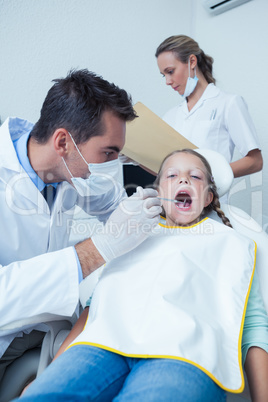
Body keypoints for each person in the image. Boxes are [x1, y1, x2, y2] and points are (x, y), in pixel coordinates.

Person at [18, 150, 268, 401]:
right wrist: (47, 377)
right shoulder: (132, 234)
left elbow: (253, 328)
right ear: (159, 193)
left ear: (208, 197)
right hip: (102, 345)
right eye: (172, 175)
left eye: (195, 176)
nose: (183, 180)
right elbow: (96, 308)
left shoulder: (233, 245)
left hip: (182, 353)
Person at [0, 69, 162, 383]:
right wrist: (97, 249)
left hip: (47, 327)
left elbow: (112, 202)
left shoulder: (67, 167)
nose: (115, 163)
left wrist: (150, 202)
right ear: (63, 141)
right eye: (109, 152)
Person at [155, 35, 263, 179]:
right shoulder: (170, 116)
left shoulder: (228, 103)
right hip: (172, 199)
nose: (167, 82)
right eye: (164, 75)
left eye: (170, 71)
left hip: (210, 198)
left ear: (192, 61)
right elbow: (164, 170)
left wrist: (208, 176)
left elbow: (255, 162)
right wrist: (135, 157)